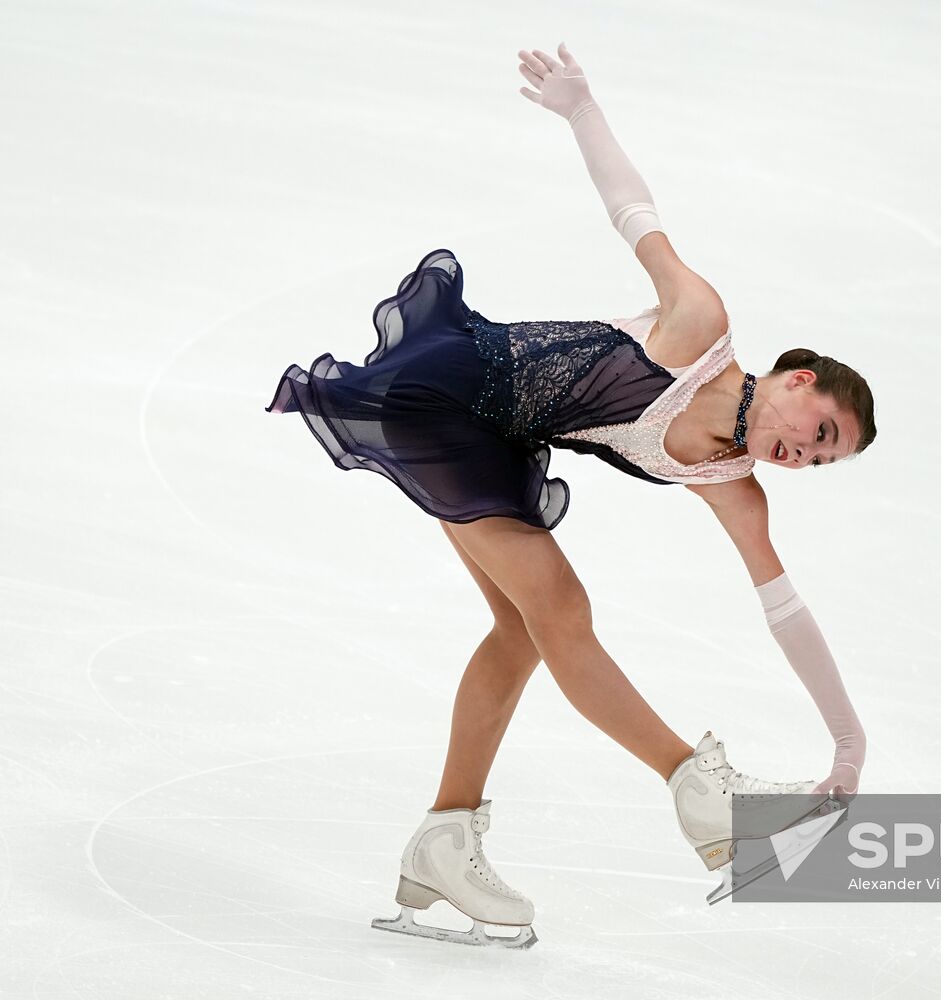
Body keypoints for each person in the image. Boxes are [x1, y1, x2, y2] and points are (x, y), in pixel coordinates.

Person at [265, 42, 875, 949]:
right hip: (451, 391)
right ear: (793, 377)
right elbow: (635, 212)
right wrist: (582, 109)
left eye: (821, 464)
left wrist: (848, 746)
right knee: (560, 609)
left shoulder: (735, 488)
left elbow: (783, 607)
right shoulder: (699, 325)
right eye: (818, 430)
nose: (802, 455)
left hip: (501, 440)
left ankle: (444, 835)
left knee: (522, 630)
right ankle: (698, 790)